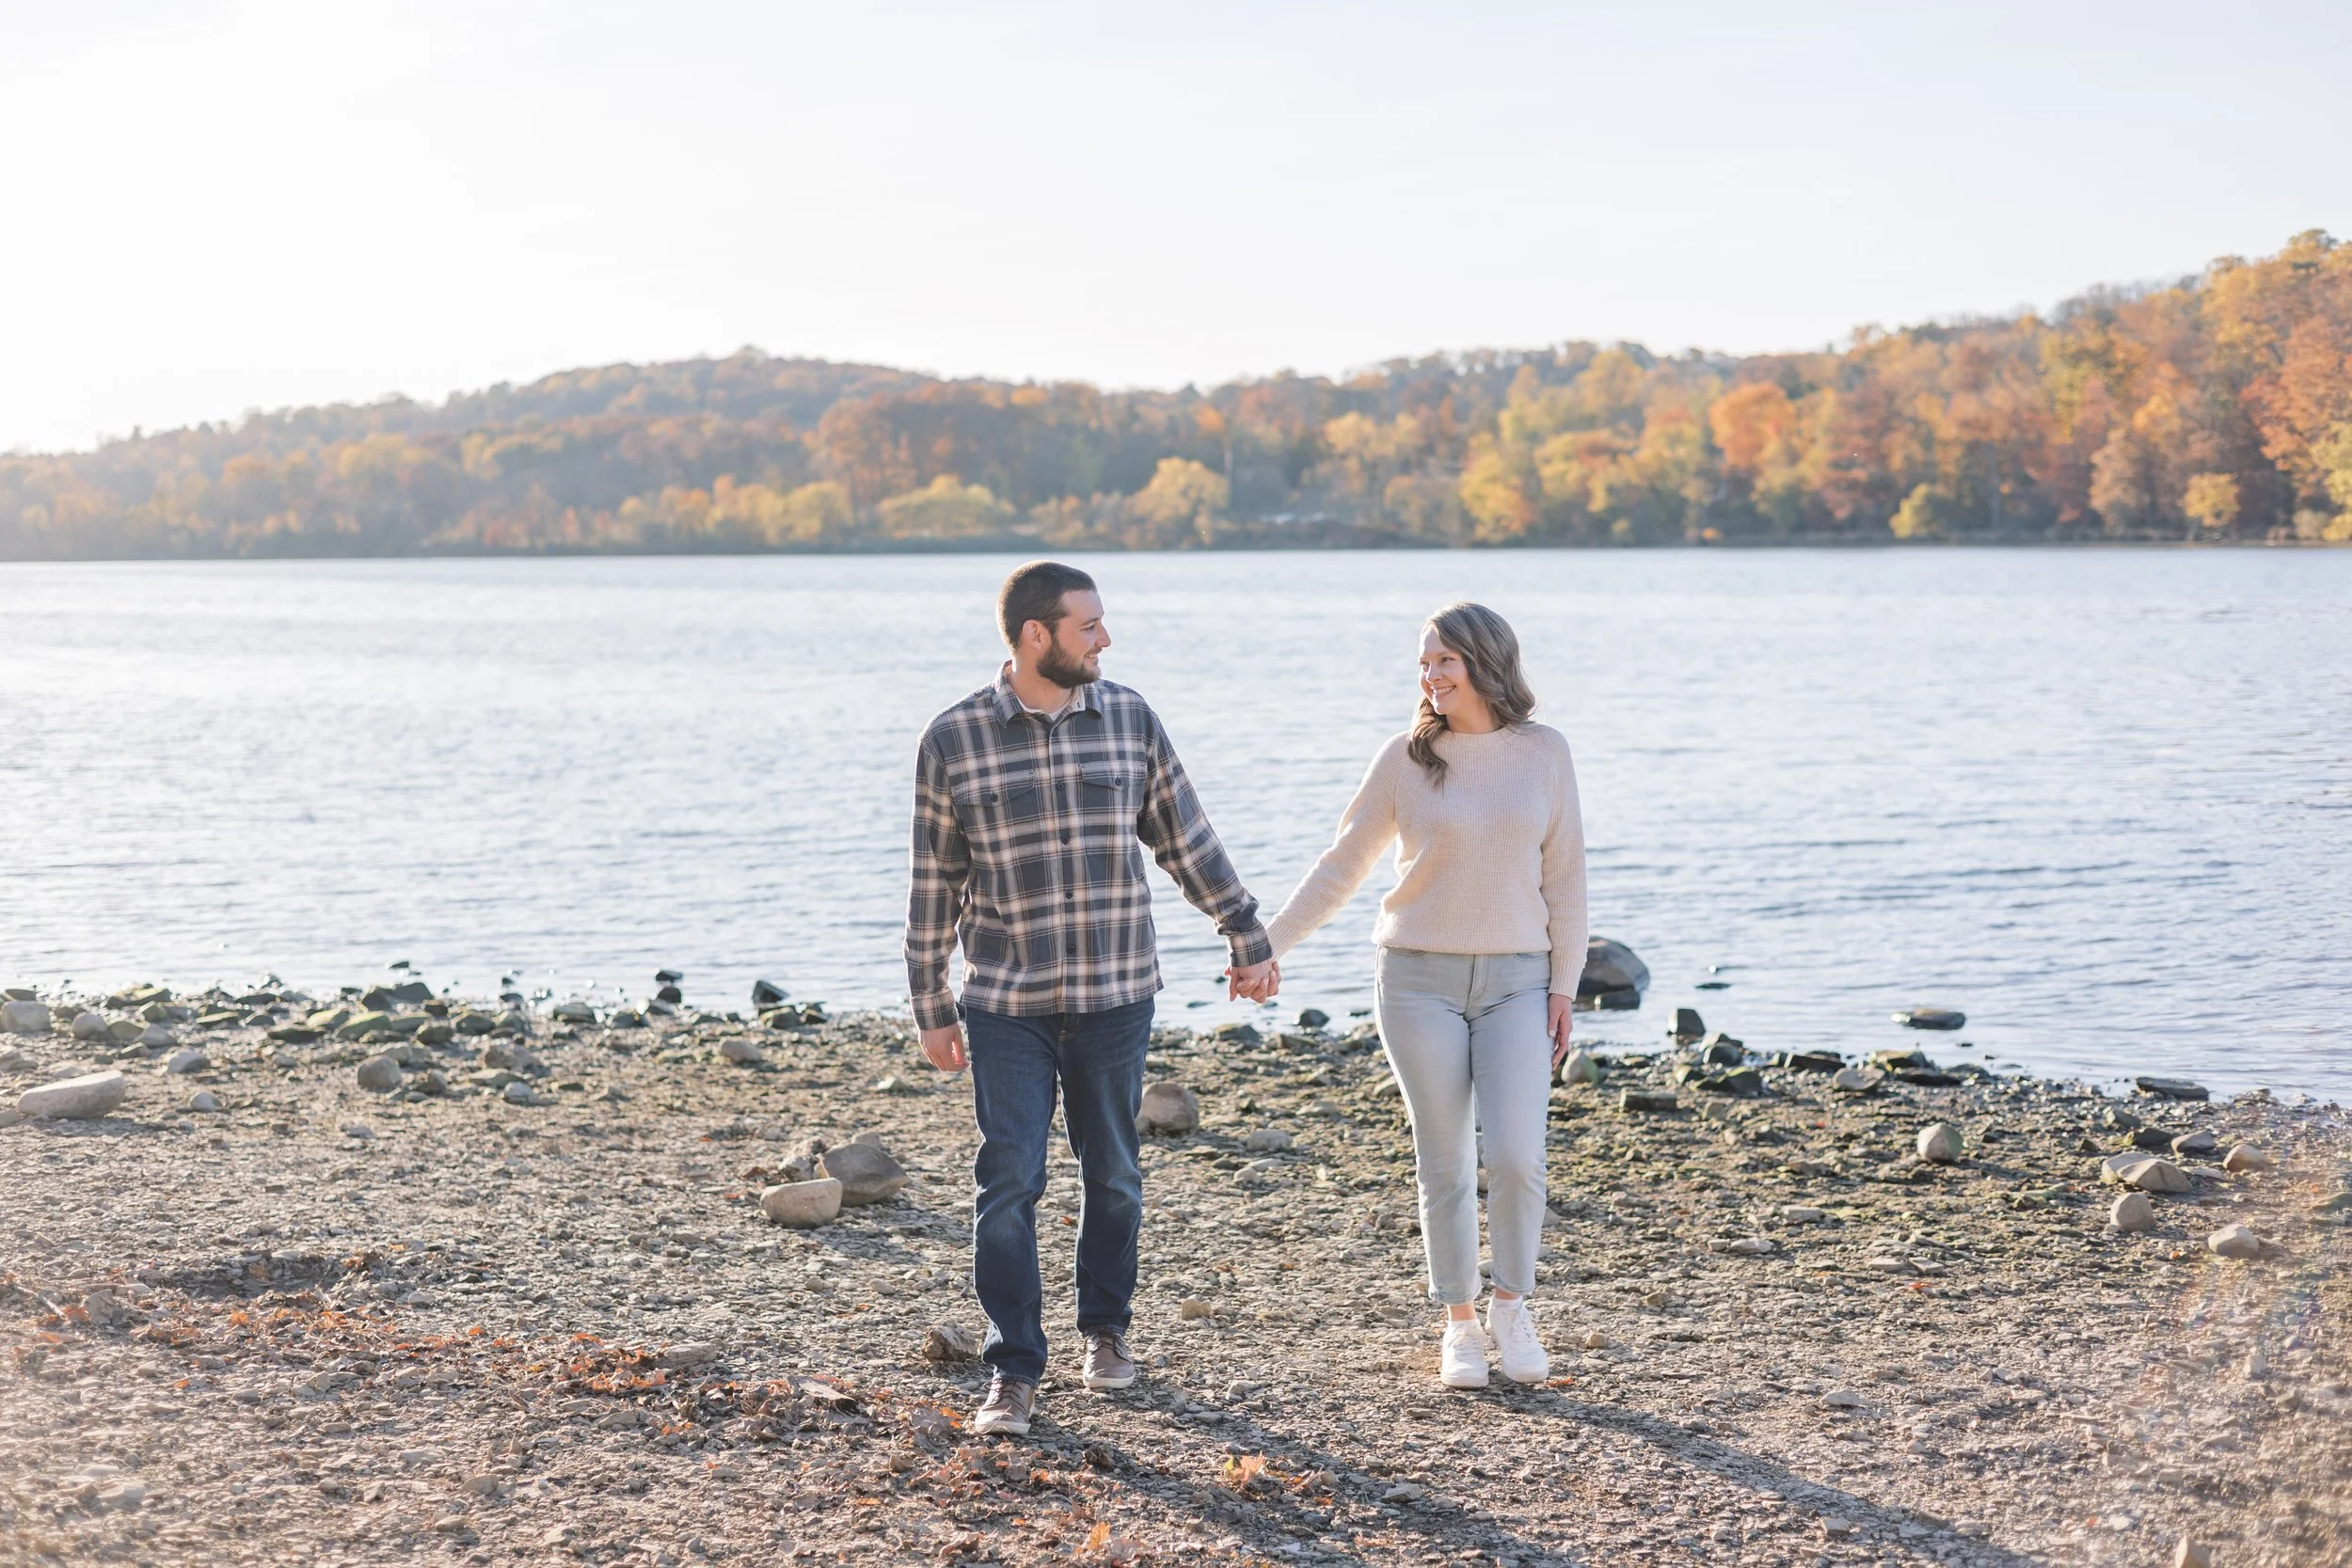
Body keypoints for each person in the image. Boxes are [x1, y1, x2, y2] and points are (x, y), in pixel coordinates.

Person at [906, 561, 1279, 1436]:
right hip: (1006, 1000)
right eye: (1089, 626)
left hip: (1116, 995)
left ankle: (1105, 1333)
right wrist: (929, 1001)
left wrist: (1246, 933)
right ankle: (1013, 1369)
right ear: (1037, 636)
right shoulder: (953, 738)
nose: (1105, 638)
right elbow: (934, 881)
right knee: (1009, 1182)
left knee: (1114, 1174)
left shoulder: (1130, 720)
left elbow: (1186, 838)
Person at [1264, 602, 1585, 1389]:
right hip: (1416, 979)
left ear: (1485, 661)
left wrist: (1565, 987)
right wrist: (1265, 944)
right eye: (1424, 663)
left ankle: (1513, 1306)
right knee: (1443, 1158)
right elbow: (1344, 863)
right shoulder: (1407, 758)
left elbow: (1567, 878)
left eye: (1444, 660)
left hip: (1518, 979)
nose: (1430, 675)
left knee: (1516, 1153)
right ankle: (1460, 1324)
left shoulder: (1545, 753)